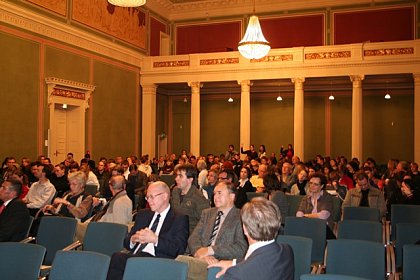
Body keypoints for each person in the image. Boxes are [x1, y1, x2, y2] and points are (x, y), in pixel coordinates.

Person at [106, 181, 189, 280]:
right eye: (147, 197)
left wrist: (155, 240)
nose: (149, 201)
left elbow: (178, 249)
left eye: (152, 197)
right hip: (135, 257)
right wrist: (133, 239)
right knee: (117, 257)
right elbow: (126, 242)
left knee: (121, 260)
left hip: (158, 261)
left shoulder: (179, 218)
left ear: (165, 196)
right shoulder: (143, 215)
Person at [208, 197, 294, 280]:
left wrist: (238, 267)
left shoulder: (237, 274)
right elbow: (261, 261)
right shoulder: (287, 250)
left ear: (245, 229)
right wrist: (234, 263)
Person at [178, 182, 248, 280]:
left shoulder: (241, 217)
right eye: (214, 193)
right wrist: (201, 254)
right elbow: (193, 238)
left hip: (221, 263)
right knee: (180, 264)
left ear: (232, 196)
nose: (215, 197)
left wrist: (211, 250)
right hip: (201, 259)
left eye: (220, 193)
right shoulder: (207, 213)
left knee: (180, 263)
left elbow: (241, 248)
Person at [171, 164, 210, 234]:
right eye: (176, 175)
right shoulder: (175, 191)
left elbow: (206, 222)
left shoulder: (198, 198)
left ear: (190, 179)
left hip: (190, 236)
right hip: (174, 232)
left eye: (180, 176)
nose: (176, 178)